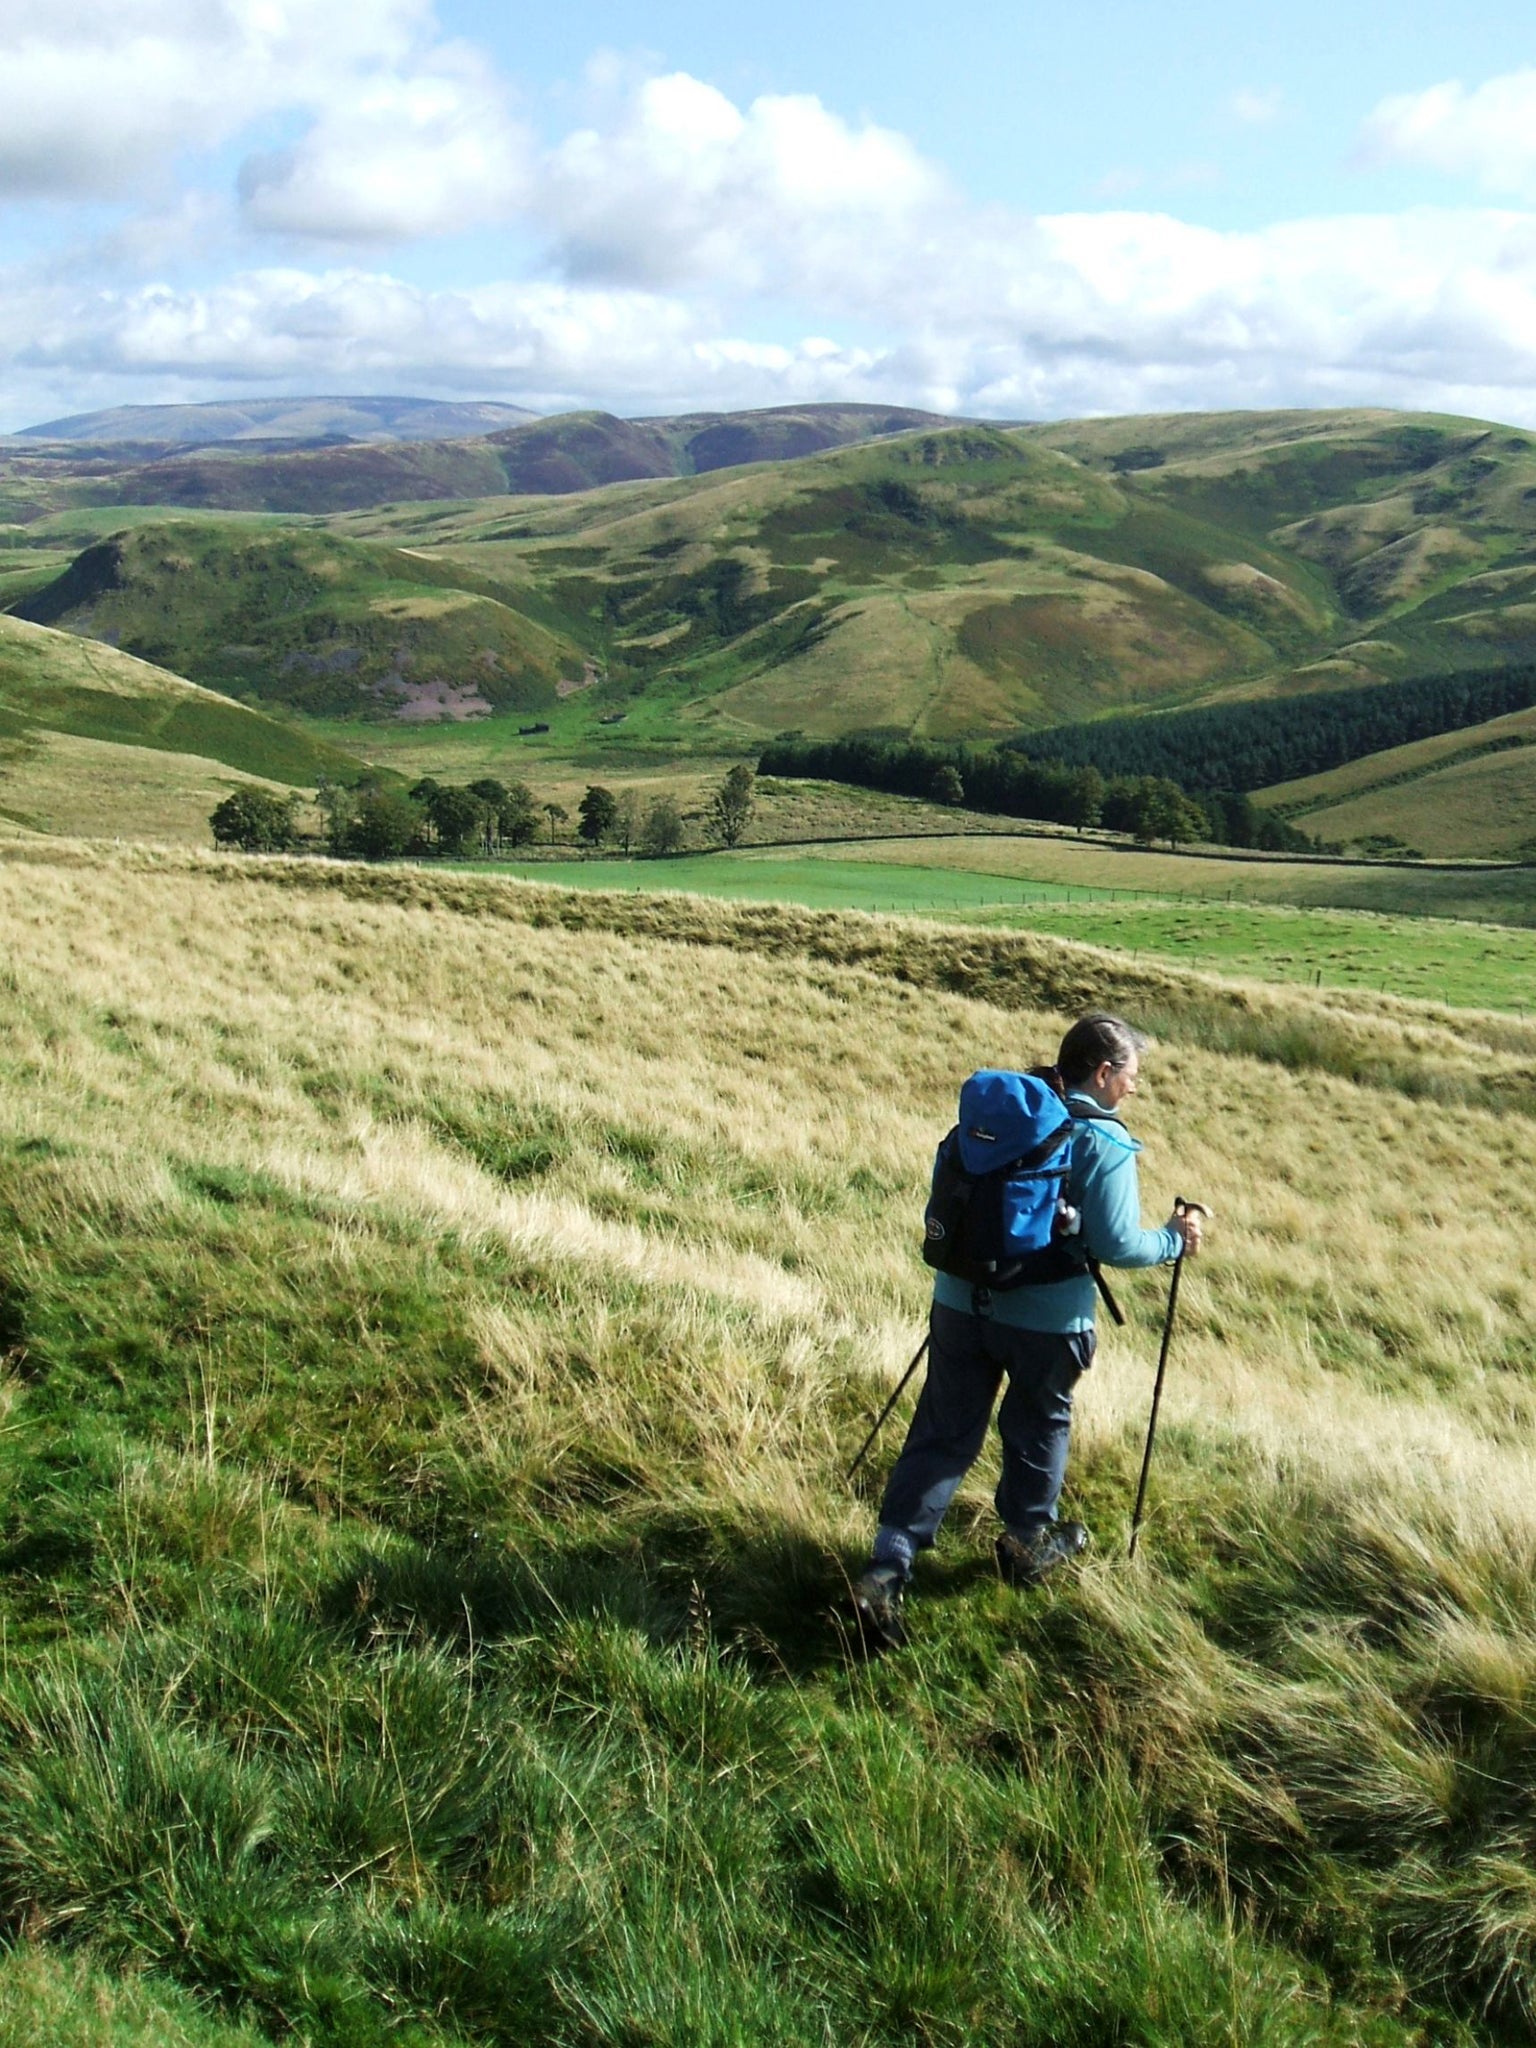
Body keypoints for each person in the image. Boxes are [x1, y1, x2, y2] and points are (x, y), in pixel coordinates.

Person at [852, 1012, 1204, 1649]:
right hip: (1046, 1319)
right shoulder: (1101, 1141)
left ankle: (886, 1566)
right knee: (1039, 1422)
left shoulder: (1003, 1115)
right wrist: (1173, 1241)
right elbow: (1119, 1244)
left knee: (943, 1430)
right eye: (1131, 1076)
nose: (1133, 1088)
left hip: (959, 1301)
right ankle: (1024, 1543)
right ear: (1102, 1073)